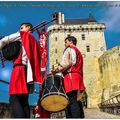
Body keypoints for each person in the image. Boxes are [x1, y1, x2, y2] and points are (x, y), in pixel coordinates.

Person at [0, 23, 42, 118]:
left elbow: (5, 40)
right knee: (24, 100)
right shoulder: (33, 40)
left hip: (19, 70)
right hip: (28, 72)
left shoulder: (22, 34)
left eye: (22, 27)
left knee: (14, 98)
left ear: (28, 28)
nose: (20, 29)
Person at [51, 36, 85, 118]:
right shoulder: (78, 52)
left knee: (71, 101)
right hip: (78, 76)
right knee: (77, 101)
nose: (65, 44)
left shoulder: (69, 49)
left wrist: (56, 70)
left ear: (71, 42)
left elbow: (67, 63)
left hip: (71, 77)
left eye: (66, 42)